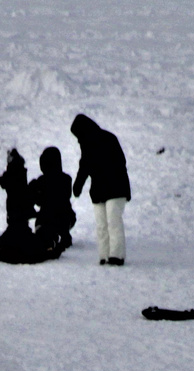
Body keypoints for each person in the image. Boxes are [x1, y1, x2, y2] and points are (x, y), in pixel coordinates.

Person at [71, 114, 130, 266]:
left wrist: (106, 174)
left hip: (116, 188)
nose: (78, 140)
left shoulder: (109, 139)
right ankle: (104, 255)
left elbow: (120, 162)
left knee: (113, 221)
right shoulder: (87, 145)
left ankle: (116, 255)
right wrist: (78, 185)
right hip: (99, 190)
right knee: (101, 224)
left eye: (78, 135)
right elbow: (83, 167)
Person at [0, 148, 42, 264]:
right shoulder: (22, 187)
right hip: (20, 229)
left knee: (5, 241)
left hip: (16, 229)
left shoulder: (14, 186)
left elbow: (4, 181)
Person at [30, 146, 75, 256]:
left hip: (47, 218)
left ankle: (52, 237)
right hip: (65, 218)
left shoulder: (42, 180)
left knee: (44, 226)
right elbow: (65, 197)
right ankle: (63, 236)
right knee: (63, 219)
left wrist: (34, 190)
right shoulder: (66, 179)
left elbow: (38, 201)